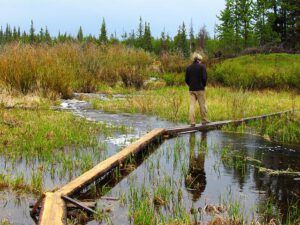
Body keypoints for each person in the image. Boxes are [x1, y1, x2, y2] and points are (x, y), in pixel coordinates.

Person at [185, 53, 210, 126]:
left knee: (192, 106)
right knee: (202, 105)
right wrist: (203, 85)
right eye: (201, 60)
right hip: (200, 89)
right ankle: (204, 120)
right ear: (199, 60)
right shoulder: (202, 67)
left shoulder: (188, 67)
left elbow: (186, 79)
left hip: (192, 89)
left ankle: (192, 122)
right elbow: (204, 78)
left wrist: (191, 85)